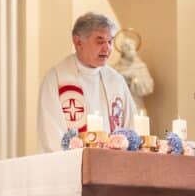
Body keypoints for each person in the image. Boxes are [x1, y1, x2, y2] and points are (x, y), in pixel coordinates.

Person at [36, 12, 137, 153]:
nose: (107, 48)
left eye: (110, 41)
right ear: (78, 42)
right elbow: (51, 133)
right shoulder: (56, 79)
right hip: (73, 169)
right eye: (100, 41)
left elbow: (130, 128)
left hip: (114, 167)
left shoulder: (116, 80)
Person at [114, 34, 154, 112]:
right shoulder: (116, 68)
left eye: (132, 46)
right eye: (127, 47)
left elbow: (148, 87)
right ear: (122, 50)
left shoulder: (140, 66)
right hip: (121, 105)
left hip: (136, 104)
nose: (130, 49)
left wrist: (134, 80)